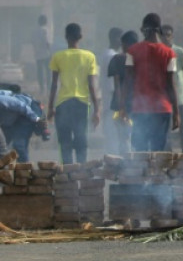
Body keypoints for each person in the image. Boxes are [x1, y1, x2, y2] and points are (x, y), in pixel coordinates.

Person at [121, 13, 178, 153]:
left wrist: (123, 107)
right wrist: (176, 113)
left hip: (140, 109)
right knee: (158, 152)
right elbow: (171, 85)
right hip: (163, 109)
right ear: (159, 29)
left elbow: (127, 82)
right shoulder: (170, 53)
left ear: (144, 29)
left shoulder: (132, 51)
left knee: (140, 152)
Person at [48, 23, 100, 164]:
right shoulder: (89, 56)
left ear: (66, 37)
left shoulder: (58, 56)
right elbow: (92, 85)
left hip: (63, 103)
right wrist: (97, 110)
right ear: (80, 37)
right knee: (81, 140)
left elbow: (54, 84)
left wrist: (50, 108)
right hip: (82, 104)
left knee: (64, 142)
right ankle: (82, 170)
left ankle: (67, 172)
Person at [106, 30, 138, 156]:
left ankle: (125, 162)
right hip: (138, 104)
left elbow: (117, 84)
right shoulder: (141, 59)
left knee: (123, 138)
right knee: (137, 136)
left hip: (121, 104)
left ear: (124, 44)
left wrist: (120, 107)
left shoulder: (118, 59)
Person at [161, 24, 183, 152]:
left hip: (180, 94)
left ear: (172, 36)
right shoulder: (159, 52)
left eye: (168, 35)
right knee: (166, 127)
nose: (166, 38)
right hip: (165, 94)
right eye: (164, 35)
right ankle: (168, 153)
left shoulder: (180, 51)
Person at [101, 28, 123, 155]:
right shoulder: (112, 56)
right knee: (114, 134)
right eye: (120, 38)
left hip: (109, 101)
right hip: (113, 101)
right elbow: (112, 84)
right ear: (115, 38)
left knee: (111, 134)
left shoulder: (106, 53)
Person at [32, 15, 52, 94]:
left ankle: (41, 88)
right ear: (46, 22)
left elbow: (33, 42)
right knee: (48, 72)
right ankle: (48, 88)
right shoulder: (45, 30)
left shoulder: (35, 31)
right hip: (46, 54)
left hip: (38, 54)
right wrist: (50, 50)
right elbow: (47, 41)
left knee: (39, 72)